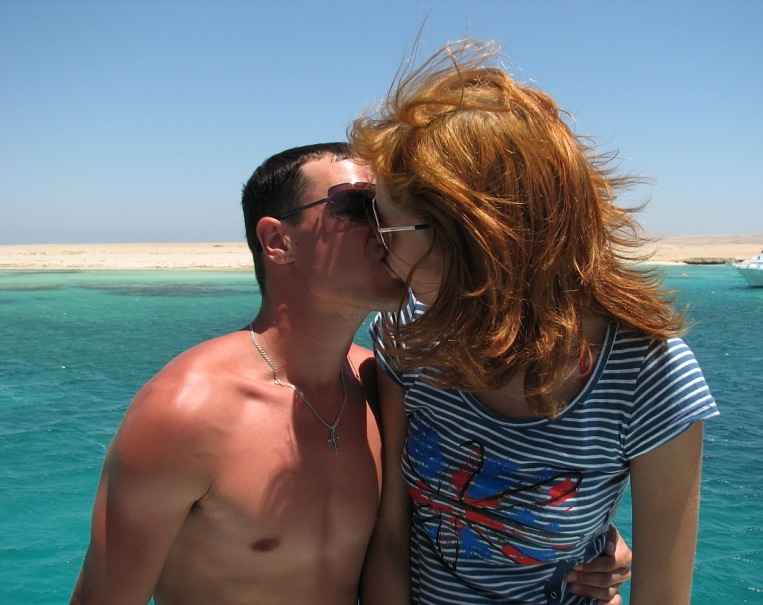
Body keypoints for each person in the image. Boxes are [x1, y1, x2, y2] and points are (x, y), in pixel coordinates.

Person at [69, 142, 629, 604]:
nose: (391, 230)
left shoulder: (384, 384)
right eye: (360, 207)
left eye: (392, 210)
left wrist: (589, 546)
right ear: (278, 241)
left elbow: (476, 508)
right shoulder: (185, 413)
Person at [350, 40, 719, 605]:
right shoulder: (407, 331)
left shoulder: (648, 377)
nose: (377, 246)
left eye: (386, 226)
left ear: (475, 241)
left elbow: (664, 594)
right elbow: (392, 534)